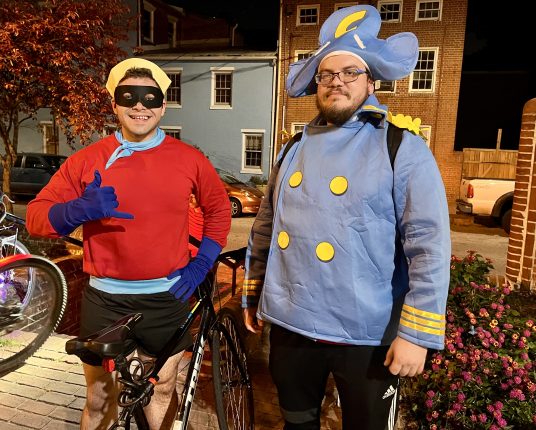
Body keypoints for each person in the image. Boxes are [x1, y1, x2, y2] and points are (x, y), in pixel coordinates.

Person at [242, 5, 450, 430]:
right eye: (326, 74)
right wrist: (253, 291)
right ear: (317, 84)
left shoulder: (402, 148)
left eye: (350, 72)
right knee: (296, 423)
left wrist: (416, 335)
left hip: (367, 334)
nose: (337, 81)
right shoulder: (292, 148)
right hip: (292, 325)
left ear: (370, 81)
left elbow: (429, 247)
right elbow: (266, 227)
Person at [26, 58, 231, 430]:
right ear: (115, 104)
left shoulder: (189, 158)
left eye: (149, 98)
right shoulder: (88, 160)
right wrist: (76, 210)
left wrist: (202, 262)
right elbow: (36, 218)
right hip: (105, 299)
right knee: (99, 398)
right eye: (129, 97)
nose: (139, 106)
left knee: (163, 387)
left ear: (163, 106)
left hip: (167, 296)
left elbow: (218, 210)